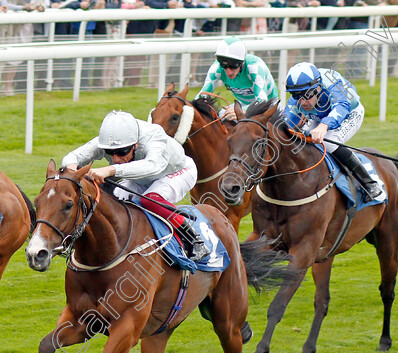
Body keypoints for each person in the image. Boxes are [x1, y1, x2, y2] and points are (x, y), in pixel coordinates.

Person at [62, 110, 209, 260]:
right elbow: (72, 157)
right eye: (110, 153)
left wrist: (111, 169)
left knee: (150, 199)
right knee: (115, 202)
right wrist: (73, 171)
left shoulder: (153, 136)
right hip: (141, 178)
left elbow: (153, 166)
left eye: (121, 152)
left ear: (136, 144)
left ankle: (195, 239)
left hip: (176, 172)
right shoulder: (108, 140)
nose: (116, 158)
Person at [282, 62, 383, 201]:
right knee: (300, 142)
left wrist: (324, 126)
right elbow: (286, 122)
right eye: (295, 95)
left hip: (349, 112)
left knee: (330, 142)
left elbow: (342, 106)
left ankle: (369, 183)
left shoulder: (330, 83)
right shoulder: (298, 99)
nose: (302, 101)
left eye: (306, 94)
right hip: (319, 115)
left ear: (317, 88)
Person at [195, 36, 279, 121]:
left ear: (242, 62)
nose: (229, 72)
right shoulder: (216, 68)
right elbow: (202, 96)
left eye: (233, 66)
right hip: (243, 104)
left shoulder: (254, 67)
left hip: (268, 106)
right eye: (224, 66)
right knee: (220, 118)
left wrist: (243, 111)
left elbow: (262, 102)